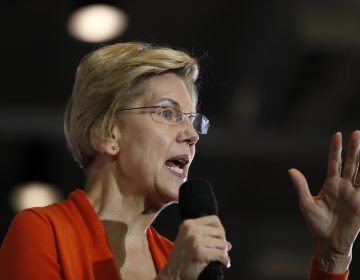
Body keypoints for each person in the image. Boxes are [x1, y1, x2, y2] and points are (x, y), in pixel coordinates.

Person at [0, 42, 357, 280]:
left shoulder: (180, 257)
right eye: (168, 113)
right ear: (107, 133)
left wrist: (331, 258)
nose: (192, 134)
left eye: (193, 120)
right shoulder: (44, 233)